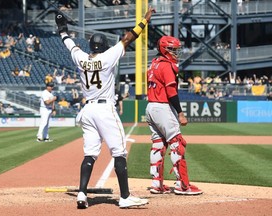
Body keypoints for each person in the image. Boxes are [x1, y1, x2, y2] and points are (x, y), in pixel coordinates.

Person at [55, 6, 155, 209]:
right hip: (105, 109)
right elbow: (128, 38)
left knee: (90, 154)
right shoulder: (109, 56)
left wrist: (62, 29)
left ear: (91, 46)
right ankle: (125, 197)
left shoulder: (81, 57)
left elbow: (69, 45)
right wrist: (144, 21)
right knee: (119, 152)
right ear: (105, 46)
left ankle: (82, 193)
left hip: (88, 110)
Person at [145, 36, 203, 195]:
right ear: (165, 49)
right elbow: (171, 92)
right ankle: (182, 185)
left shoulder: (153, 64)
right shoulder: (166, 66)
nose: (176, 52)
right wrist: (180, 113)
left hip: (150, 106)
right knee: (177, 144)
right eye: (173, 49)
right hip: (163, 107)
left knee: (158, 144)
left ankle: (156, 184)